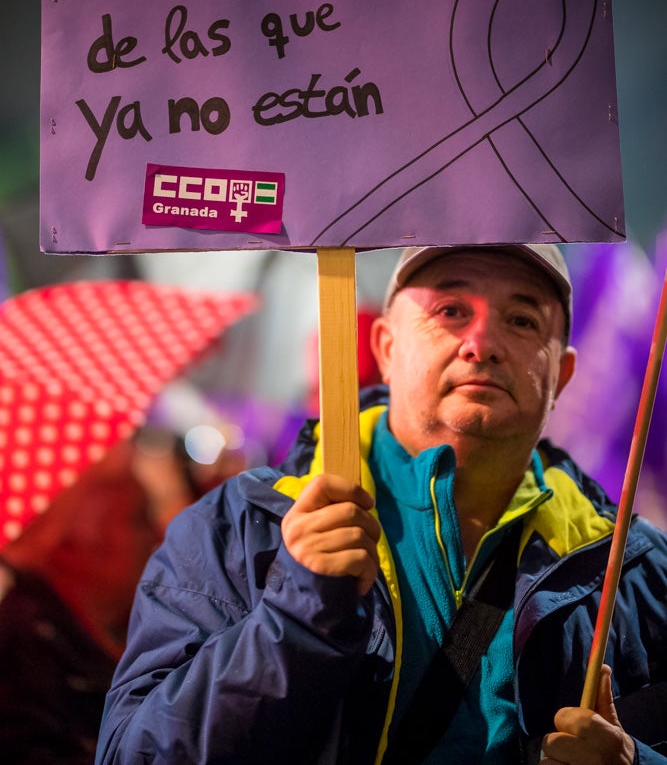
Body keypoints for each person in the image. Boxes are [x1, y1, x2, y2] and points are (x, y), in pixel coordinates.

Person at [94, 244, 667, 764]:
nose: (483, 343)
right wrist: (296, 614)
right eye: (450, 311)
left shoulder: (632, 569)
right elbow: (136, 754)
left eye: (521, 320)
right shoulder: (241, 527)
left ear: (562, 373)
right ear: (385, 348)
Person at [0, 431, 201, 764]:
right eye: (138, 518)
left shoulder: (67, 627)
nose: (155, 535)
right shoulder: (21, 651)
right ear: (73, 541)